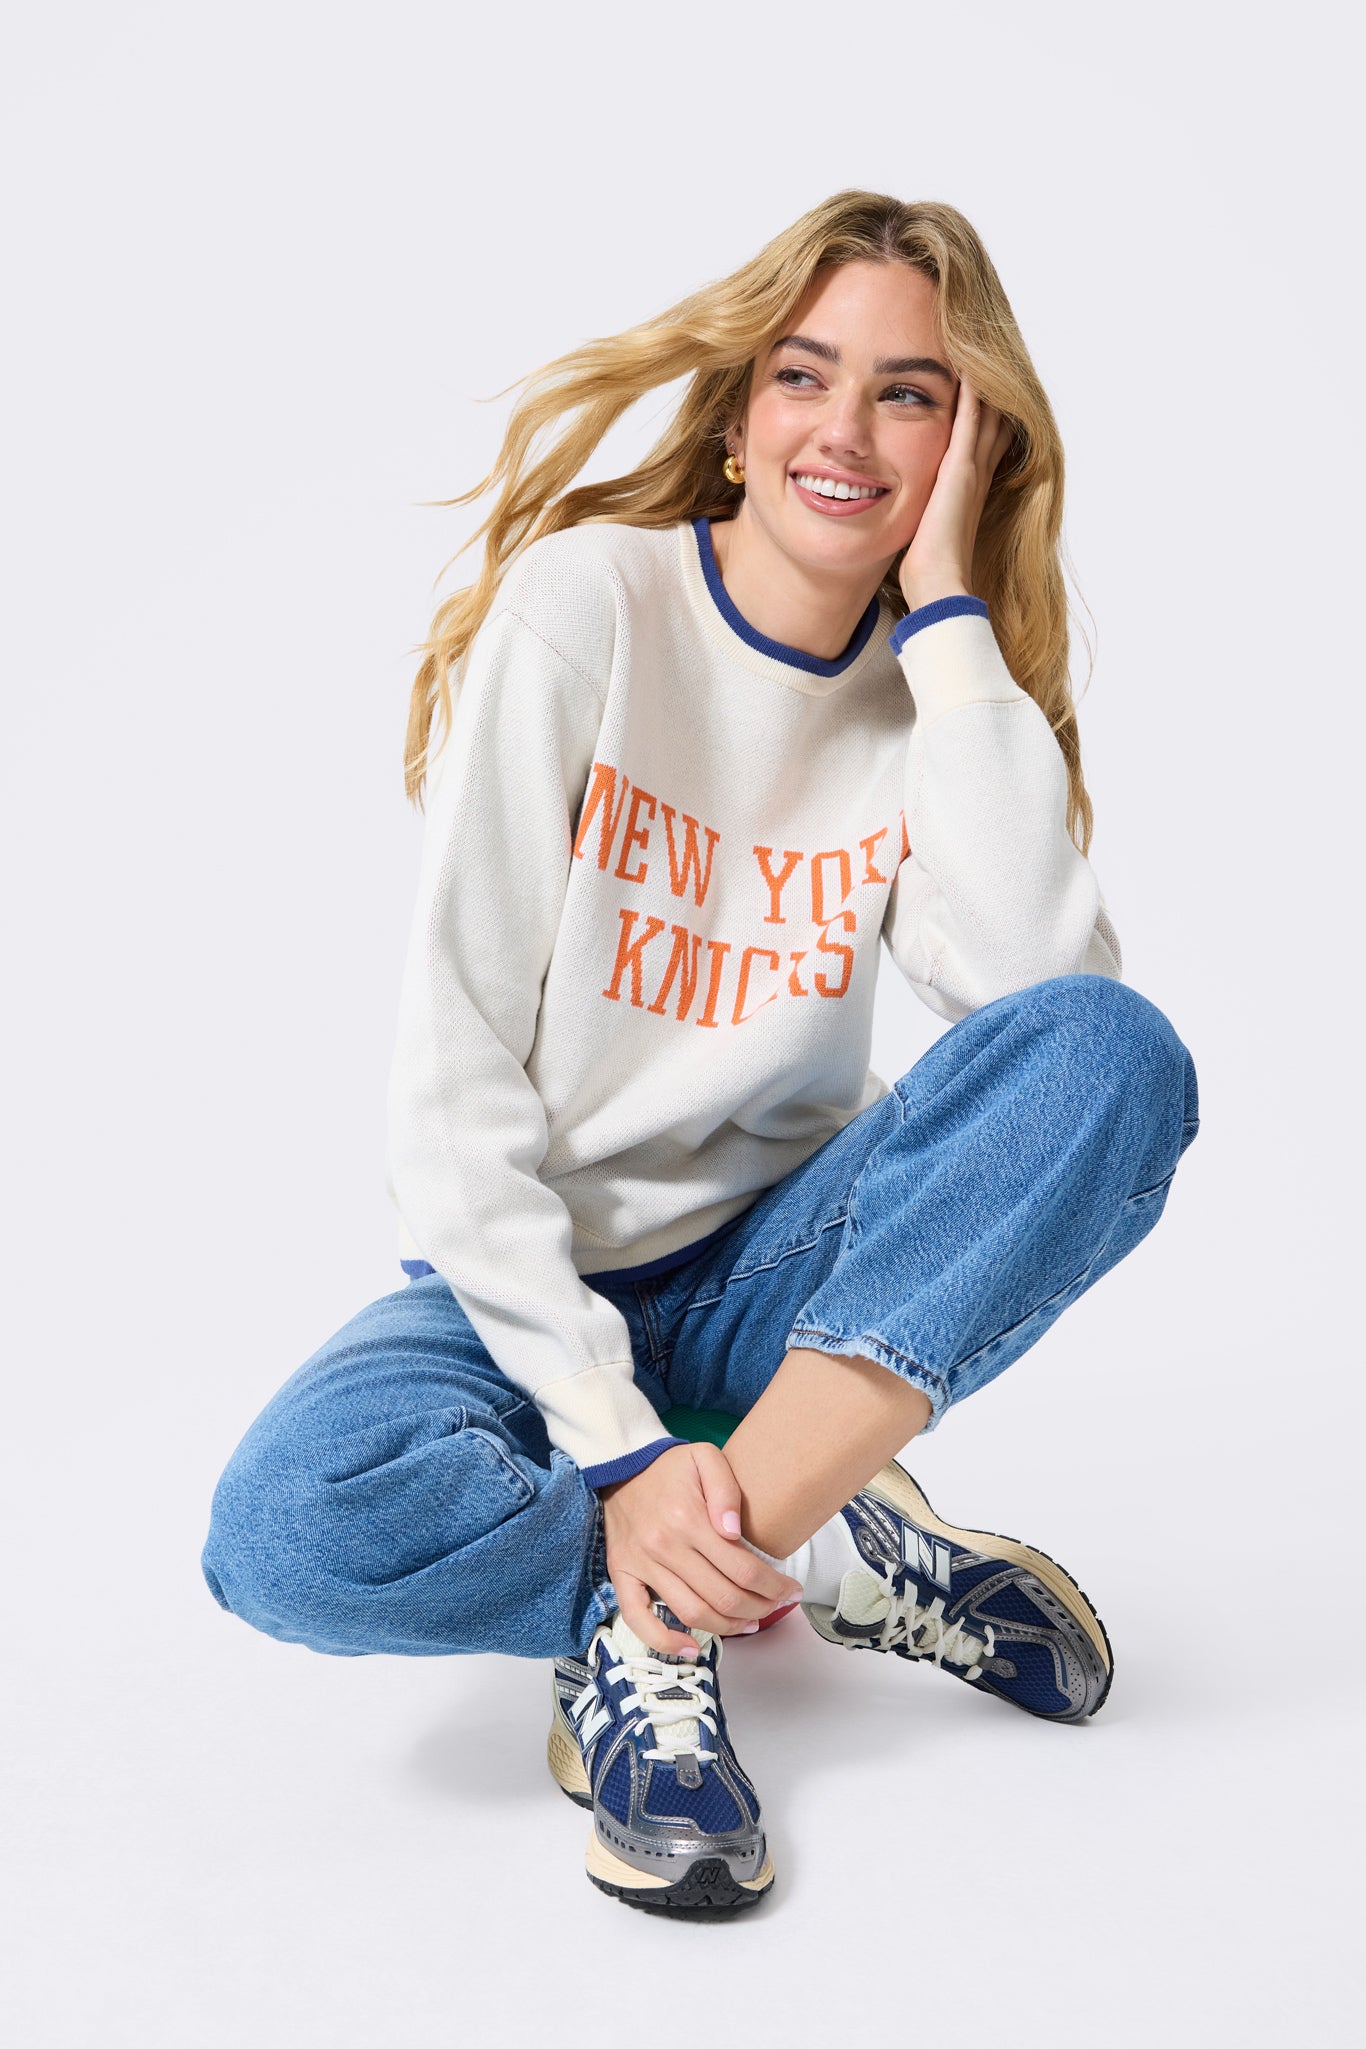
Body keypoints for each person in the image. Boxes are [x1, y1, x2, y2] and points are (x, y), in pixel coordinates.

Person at [201, 190, 1200, 1916]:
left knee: (1118, 1055)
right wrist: (612, 1442)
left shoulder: (929, 696)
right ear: (740, 413)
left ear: (964, 446)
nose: (846, 428)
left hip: (772, 1271)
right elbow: (452, 1079)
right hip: (525, 1284)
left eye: (907, 393)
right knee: (288, 1528)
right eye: (804, 375)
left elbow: (1047, 1001)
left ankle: (653, 1633)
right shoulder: (587, 606)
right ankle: (814, 1536)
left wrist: (949, 616)